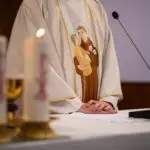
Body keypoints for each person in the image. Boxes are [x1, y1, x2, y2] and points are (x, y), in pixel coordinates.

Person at [6, 0, 123, 114]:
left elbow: (109, 59)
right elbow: (32, 58)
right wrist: (74, 105)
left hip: (97, 118)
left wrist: (107, 101)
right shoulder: (36, 3)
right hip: (53, 118)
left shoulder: (95, 6)